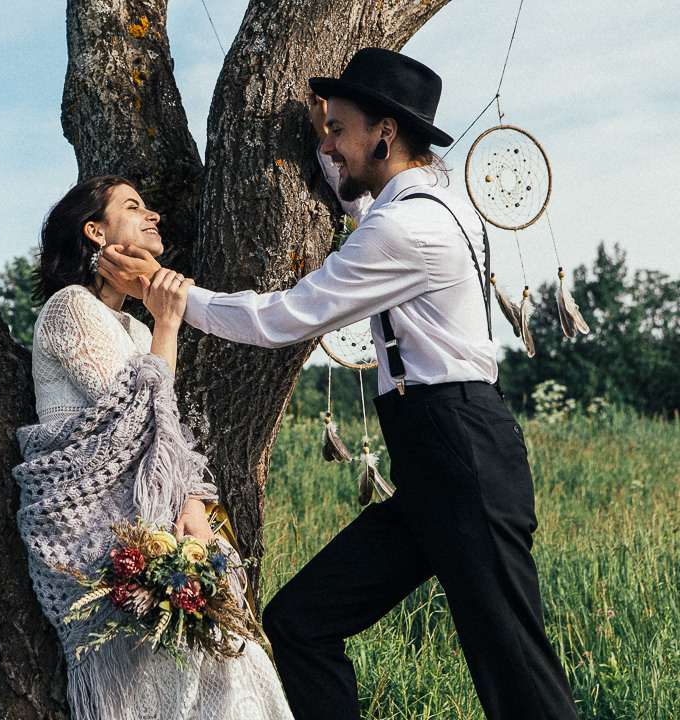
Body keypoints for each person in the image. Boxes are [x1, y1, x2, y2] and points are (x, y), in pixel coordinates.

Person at [103, 48, 580, 720]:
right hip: (436, 460)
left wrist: (168, 294)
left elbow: (283, 317)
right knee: (302, 622)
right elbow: (351, 196)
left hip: (461, 456)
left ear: (385, 133)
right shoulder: (426, 206)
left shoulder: (406, 227)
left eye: (338, 129)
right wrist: (326, 132)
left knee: (518, 680)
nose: (326, 142)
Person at [11, 175, 294, 720]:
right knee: (159, 681)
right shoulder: (71, 307)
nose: (153, 215)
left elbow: (163, 433)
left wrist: (190, 504)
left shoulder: (134, 331)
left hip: (155, 520)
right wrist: (168, 320)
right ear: (95, 232)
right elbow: (136, 414)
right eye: (134, 206)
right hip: (93, 532)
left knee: (232, 668)